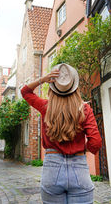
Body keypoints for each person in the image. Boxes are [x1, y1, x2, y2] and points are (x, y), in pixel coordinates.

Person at [21, 63, 102, 204]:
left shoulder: (45, 106)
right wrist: (82, 149)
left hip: (52, 168)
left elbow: (25, 92)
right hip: (79, 168)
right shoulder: (84, 109)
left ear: (53, 89)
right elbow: (96, 142)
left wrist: (43, 79)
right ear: (75, 88)